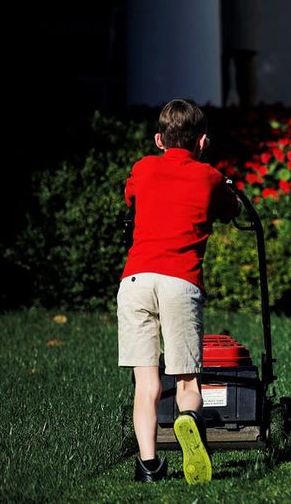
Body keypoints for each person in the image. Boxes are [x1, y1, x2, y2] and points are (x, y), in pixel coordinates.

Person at [117, 98, 240, 483]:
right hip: (179, 281)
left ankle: (148, 466)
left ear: (159, 139)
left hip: (135, 281)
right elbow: (231, 210)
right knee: (187, 380)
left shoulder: (143, 168)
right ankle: (188, 418)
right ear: (202, 141)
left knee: (146, 383)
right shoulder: (209, 177)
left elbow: (130, 196)